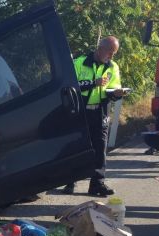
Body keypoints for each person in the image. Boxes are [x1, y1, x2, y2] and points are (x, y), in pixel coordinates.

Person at [63, 36, 125, 197]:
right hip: (81, 110)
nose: (112, 56)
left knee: (100, 148)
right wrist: (93, 83)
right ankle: (71, 181)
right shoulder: (80, 62)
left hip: (101, 110)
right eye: (110, 52)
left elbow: (113, 88)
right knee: (77, 145)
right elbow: (70, 87)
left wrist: (117, 94)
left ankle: (97, 184)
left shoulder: (113, 67)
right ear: (100, 48)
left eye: (114, 53)